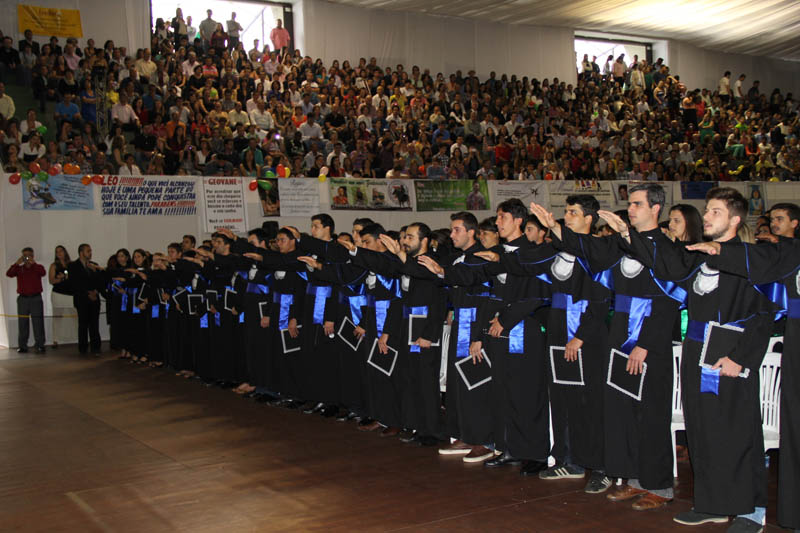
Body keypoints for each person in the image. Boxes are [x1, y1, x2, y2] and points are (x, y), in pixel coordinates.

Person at [623, 187, 776, 531]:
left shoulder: (750, 259)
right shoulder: (698, 256)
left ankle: (751, 510)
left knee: (736, 432)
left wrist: (740, 357)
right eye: (706, 211)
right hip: (696, 351)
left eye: (716, 212)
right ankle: (713, 503)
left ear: (735, 220)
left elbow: (764, 316)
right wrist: (638, 233)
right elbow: (665, 266)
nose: (706, 217)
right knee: (702, 433)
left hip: (730, 352)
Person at [535, 184, 681, 510]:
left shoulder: (665, 247)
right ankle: (631, 477)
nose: (630, 209)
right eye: (629, 204)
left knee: (651, 415)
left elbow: (669, 301)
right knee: (621, 412)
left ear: (655, 209)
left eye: (637, 204)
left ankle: (659, 485)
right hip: (619, 336)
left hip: (648, 342)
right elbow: (589, 250)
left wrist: (645, 344)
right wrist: (556, 228)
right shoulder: (618, 244)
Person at [5, 247, 46, 353]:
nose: (27, 258)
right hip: (23, 299)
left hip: (36, 298)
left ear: (33, 256)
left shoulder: (37, 267)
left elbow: (43, 273)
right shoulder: (19, 269)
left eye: (29, 255)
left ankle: (40, 345)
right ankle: (23, 346)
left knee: (38, 322)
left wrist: (34, 263)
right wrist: (16, 263)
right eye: (25, 255)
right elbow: (9, 274)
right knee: (22, 323)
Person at [68, 244, 103, 355]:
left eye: (91, 251)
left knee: (94, 323)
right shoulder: (73, 266)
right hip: (82, 298)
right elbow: (74, 283)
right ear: (81, 252)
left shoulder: (94, 265)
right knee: (83, 324)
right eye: (88, 251)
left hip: (94, 298)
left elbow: (100, 281)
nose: (90, 253)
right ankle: (83, 348)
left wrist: (96, 291)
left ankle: (95, 347)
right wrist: (87, 293)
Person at [48, 245, 74, 349]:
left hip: (71, 294)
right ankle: (55, 340)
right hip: (58, 294)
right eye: (57, 252)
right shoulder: (54, 266)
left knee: (75, 316)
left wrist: (66, 277)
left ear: (65, 252)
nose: (59, 254)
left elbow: (74, 279)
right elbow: (51, 281)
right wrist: (62, 279)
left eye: (61, 251)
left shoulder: (71, 265)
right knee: (57, 317)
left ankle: (77, 337)